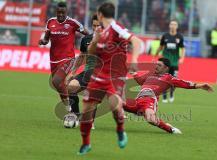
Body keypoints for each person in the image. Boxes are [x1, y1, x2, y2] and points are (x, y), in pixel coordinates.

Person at [77, 2, 141, 155]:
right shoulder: (99, 30)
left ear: (99, 15)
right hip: (98, 75)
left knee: (115, 105)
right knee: (86, 112)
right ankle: (86, 144)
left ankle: (120, 130)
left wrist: (135, 59)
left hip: (115, 75)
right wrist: (95, 40)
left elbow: (137, 41)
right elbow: (91, 53)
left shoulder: (116, 27)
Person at [123, 58, 214, 134]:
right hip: (137, 101)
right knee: (115, 100)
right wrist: (134, 74)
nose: (156, 66)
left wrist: (200, 85)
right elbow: (141, 81)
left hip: (149, 101)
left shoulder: (169, 78)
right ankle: (120, 113)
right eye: (156, 64)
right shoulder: (150, 75)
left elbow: (185, 84)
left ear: (166, 68)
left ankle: (171, 129)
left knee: (150, 119)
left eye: (159, 65)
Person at [39, 2, 89, 113]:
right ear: (56, 11)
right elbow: (46, 38)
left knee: (56, 81)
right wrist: (43, 41)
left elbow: (87, 33)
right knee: (59, 85)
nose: (61, 14)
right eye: (59, 12)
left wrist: (89, 44)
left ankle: (70, 108)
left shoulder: (72, 23)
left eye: (63, 12)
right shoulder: (50, 22)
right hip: (54, 59)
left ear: (67, 12)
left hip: (68, 58)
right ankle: (71, 108)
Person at [64, 14, 100, 129]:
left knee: (90, 93)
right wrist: (73, 72)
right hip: (87, 72)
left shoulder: (109, 41)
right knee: (70, 86)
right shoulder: (86, 39)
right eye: (94, 25)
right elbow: (82, 57)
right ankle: (75, 115)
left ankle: (90, 121)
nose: (95, 28)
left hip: (102, 74)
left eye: (98, 26)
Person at [156, 20, 185, 103]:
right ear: (169, 26)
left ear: (177, 26)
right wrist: (156, 54)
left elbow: (182, 48)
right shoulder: (165, 36)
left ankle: (171, 94)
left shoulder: (179, 37)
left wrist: (182, 58)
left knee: (174, 80)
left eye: (175, 24)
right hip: (166, 63)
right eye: (172, 24)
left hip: (175, 62)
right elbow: (161, 46)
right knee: (164, 79)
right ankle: (164, 96)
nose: (173, 26)